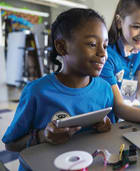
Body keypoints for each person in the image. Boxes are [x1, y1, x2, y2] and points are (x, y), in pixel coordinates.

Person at [2, 8, 112, 171]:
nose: (103, 53)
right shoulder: (37, 92)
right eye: (92, 44)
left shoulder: (104, 89)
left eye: (105, 45)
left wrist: (105, 126)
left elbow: (109, 133)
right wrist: (42, 136)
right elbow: (10, 145)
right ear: (61, 46)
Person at [100, 0, 140, 110]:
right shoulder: (106, 54)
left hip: (124, 114)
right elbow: (118, 107)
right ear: (119, 22)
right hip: (105, 116)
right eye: (136, 27)